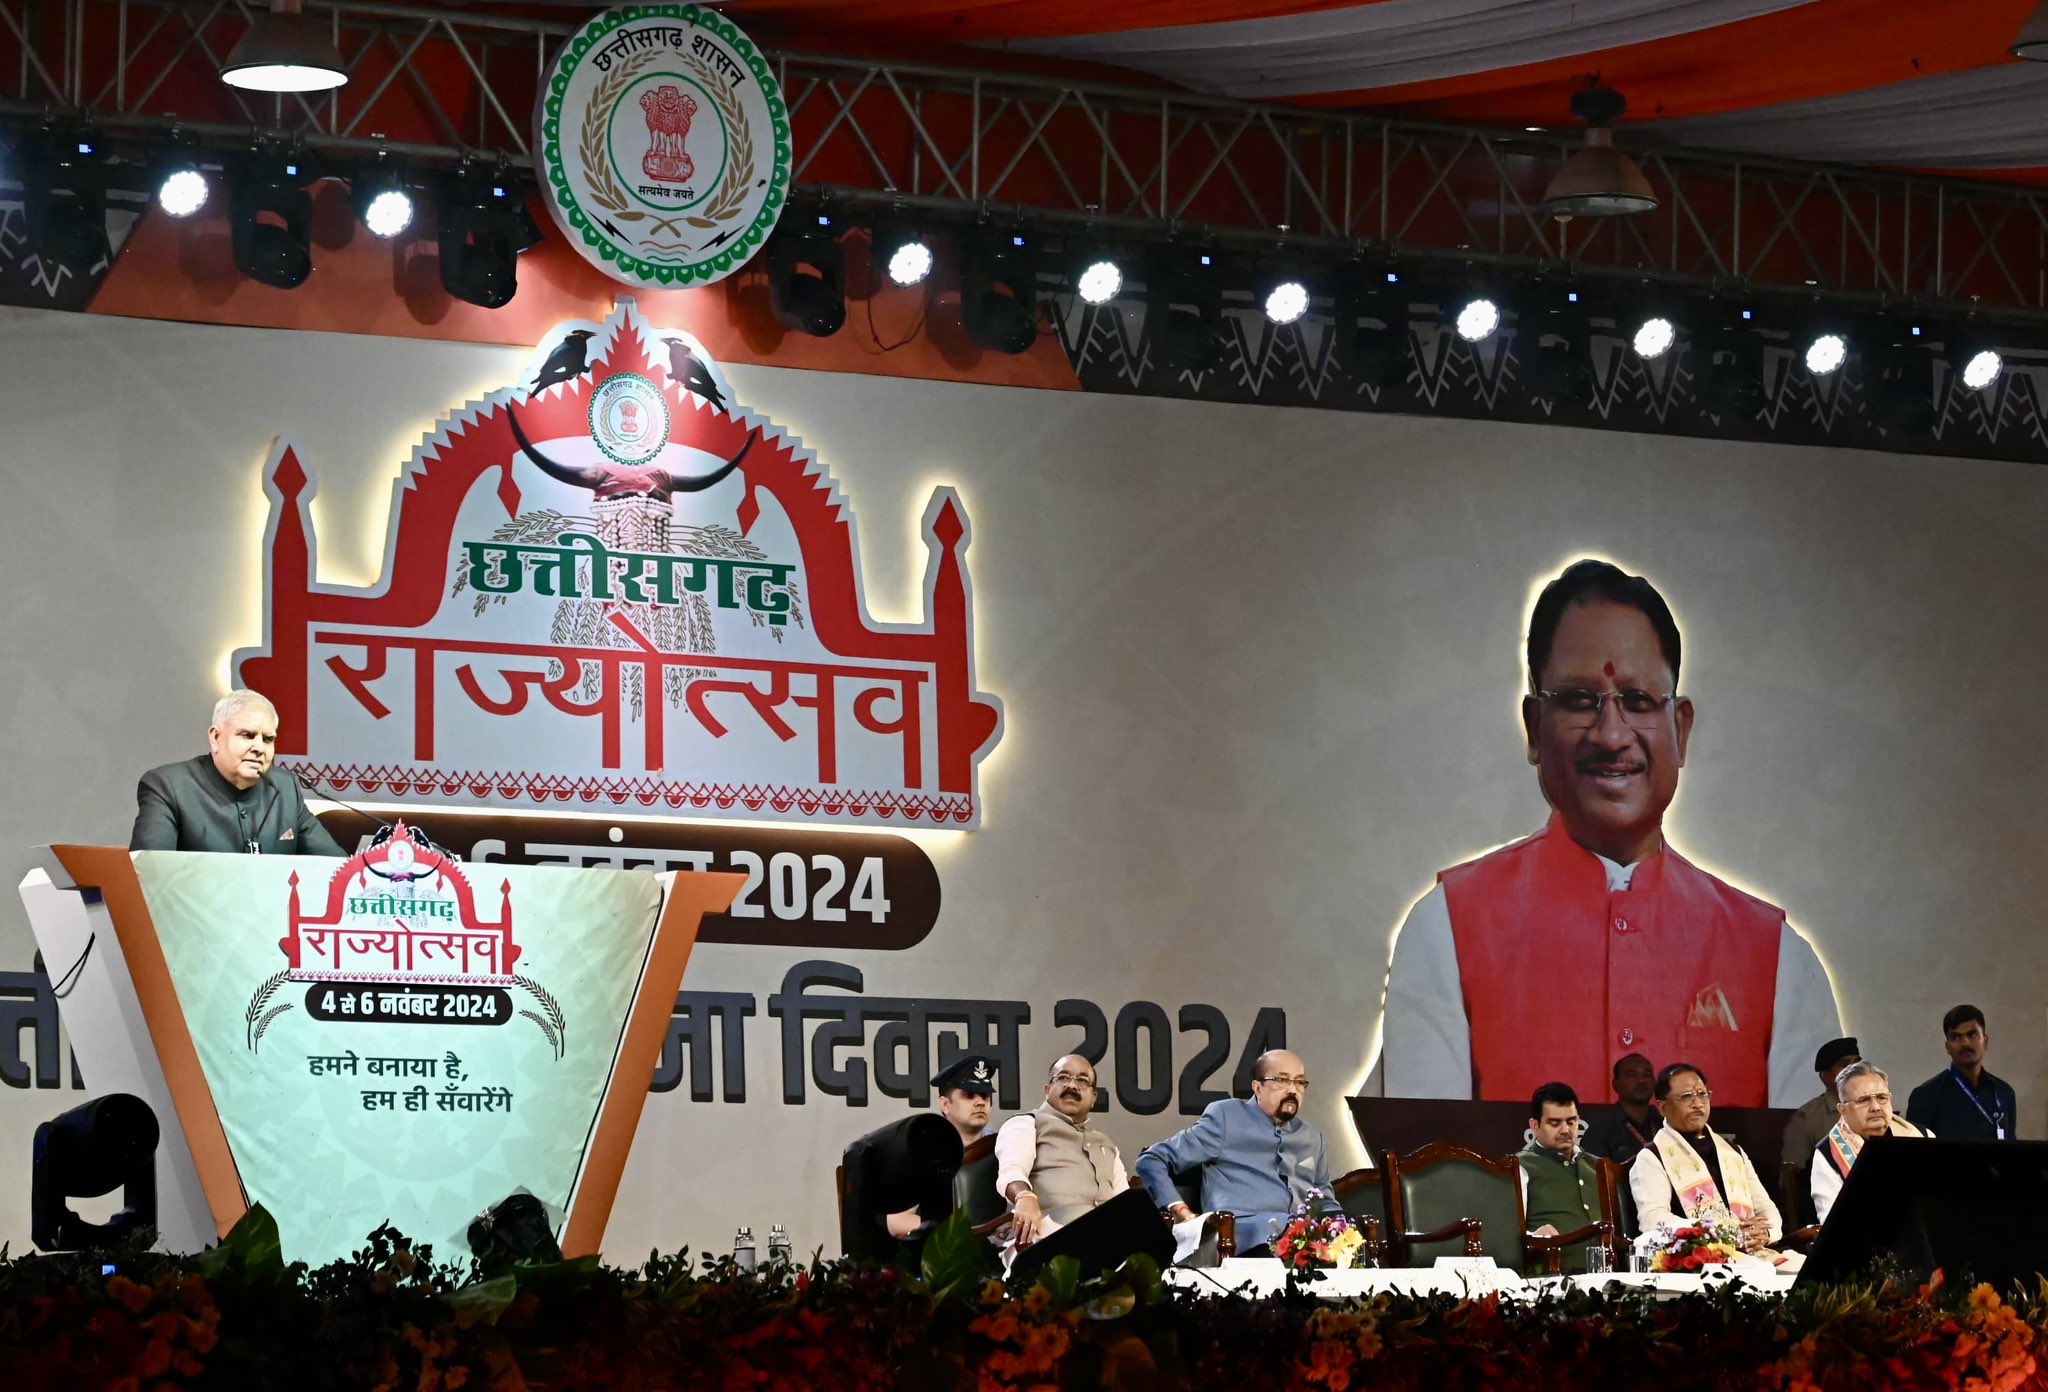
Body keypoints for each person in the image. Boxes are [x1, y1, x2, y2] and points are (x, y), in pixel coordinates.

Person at [1381, 559, 1841, 1106]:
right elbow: (1430, 1173)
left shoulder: (1780, 958)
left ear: (1681, 728)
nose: (1612, 733)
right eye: (1579, 701)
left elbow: (1810, 1178)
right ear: (1533, 729)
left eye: (1639, 701)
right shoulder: (1445, 929)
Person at [1135, 1050, 1332, 1255]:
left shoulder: (1311, 1136)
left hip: (1307, 1249)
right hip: (1245, 1246)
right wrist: (1182, 1212)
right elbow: (1151, 1160)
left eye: (1299, 1082)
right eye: (1281, 1080)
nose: (1293, 1089)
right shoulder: (1226, 1118)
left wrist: (1342, 1232)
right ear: (1258, 1087)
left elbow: (1325, 1200)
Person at [130, 691, 345, 856]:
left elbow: (334, 867)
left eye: (268, 739)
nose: (259, 748)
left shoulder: (284, 789)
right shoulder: (168, 787)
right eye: (247, 735)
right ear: (215, 737)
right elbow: (150, 875)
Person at [1629, 1063, 1782, 1254]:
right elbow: (1653, 1220)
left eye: (1702, 1094)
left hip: (1753, 1252)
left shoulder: (1733, 1152)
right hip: (1697, 1260)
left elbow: (1766, 1208)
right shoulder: (1652, 1157)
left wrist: (1767, 1233)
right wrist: (1719, 1232)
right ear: (1663, 1107)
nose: (1698, 1103)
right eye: (1686, 1097)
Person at [992, 1055, 1129, 1250]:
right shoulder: (1026, 1123)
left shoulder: (1107, 1146)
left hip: (1107, 1246)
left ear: (1093, 1098)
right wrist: (1024, 1196)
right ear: (1047, 1090)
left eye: (1082, 1080)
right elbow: (1012, 1171)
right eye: (1063, 1077)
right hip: (1049, 1241)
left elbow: (1124, 1203)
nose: (1072, 1086)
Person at [880, 1054, 998, 1242]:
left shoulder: (1003, 1147)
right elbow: (897, 1222)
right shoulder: (923, 1152)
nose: (980, 1102)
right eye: (968, 1095)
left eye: (985, 1096)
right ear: (945, 1104)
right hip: (941, 1256)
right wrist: (954, 1233)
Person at [1812, 1062, 1929, 1224]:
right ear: (1843, 1110)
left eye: (1882, 1098)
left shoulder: (1922, 1136)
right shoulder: (1828, 1155)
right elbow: (1832, 1223)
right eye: (1863, 1100)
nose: (1875, 1107)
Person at [1517, 1082, 1606, 1273]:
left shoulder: (1599, 1166)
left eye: (1571, 1121)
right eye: (1555, 1123)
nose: (1565, 1130)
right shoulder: (1518, 1166)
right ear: (1535, 1126)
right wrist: (1535, 1235)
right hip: (1551, 1276)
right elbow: (1507, 1234)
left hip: (1609, 1273)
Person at [1905, 1005, 2018, 1141]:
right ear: (1947, 1047)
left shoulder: (2004, 1092)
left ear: (1985, 1041)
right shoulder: (1925, 1096)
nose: (1965, 1043)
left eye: (1972, 1034)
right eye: (1956, 1037)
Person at [1780, 1037, 1860, 1228]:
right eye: (1844, 1064)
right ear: (1825, 1075)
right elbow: (1791, 1180)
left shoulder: (1874, 1110)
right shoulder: (1808, 1118)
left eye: (1857, 1062)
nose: (1854, 1070)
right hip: (1830, 1213)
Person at [1581, 1052, 1663, 1166]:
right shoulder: (1601, 1130)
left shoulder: (1665, 1122)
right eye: (1631, 1075)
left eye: (1647, 1075)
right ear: (1616, 1085)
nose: (1641, 1081)